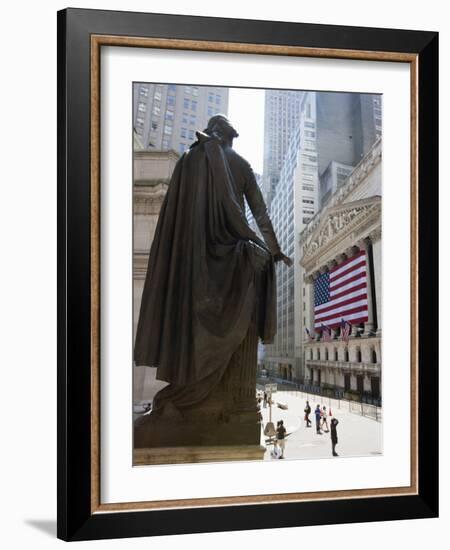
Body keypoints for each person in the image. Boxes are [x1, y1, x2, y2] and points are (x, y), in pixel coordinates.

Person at [134, 114, 292, 415]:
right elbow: (260, 214)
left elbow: (175, 218)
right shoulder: (241, 164)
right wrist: (274, 250)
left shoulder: (188, 158)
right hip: (231, 255)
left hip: (190, 260)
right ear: (229, 136)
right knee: (256, 265)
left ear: (210, 133)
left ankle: (188, 381)